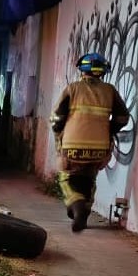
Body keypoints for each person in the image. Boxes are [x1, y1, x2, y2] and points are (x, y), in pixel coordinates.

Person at [50, 52, 130, 232]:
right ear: (102, 72)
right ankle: (84, 210)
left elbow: (56, 118)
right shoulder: (110, 91)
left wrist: (60, 133)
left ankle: (77, 206)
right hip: (99, 148)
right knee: (89, 179)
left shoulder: (72, 89)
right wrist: (108, 130)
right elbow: (123, 118)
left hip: (72, 146)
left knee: (67, 178)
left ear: (82, 70)